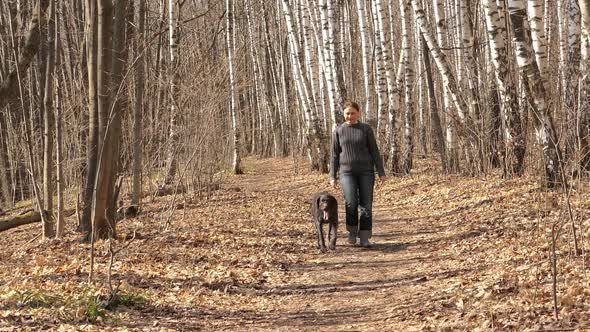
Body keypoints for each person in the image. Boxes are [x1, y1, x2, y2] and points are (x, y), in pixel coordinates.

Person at [330, 100, 386, 248]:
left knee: (366, 205)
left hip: (366, 172)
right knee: (351, 203)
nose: (350, 116)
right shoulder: (338, 131)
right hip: (346, 173)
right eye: (347, 113)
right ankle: (352, 232)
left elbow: (374, 151)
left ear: (358, 113)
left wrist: (381, 172)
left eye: (353, 113)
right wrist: (332, 176)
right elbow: (334, 155)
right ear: (343, 114)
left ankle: (365, 236)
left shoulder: (366, 129)